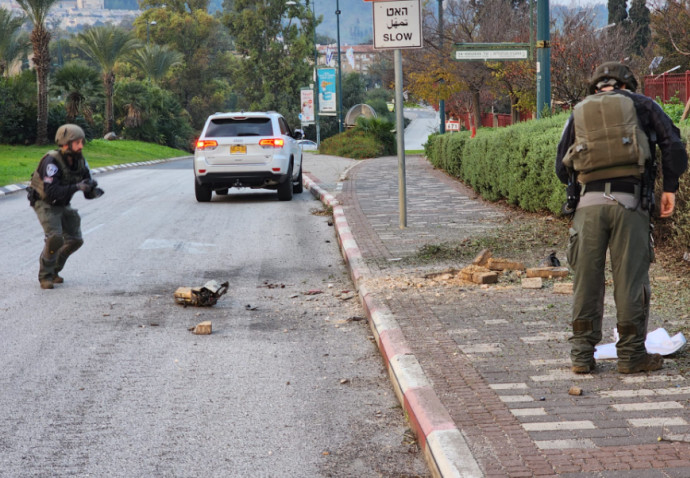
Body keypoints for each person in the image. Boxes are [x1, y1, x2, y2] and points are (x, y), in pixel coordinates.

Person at [556, 62, 688, 374]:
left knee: (585, 282)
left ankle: (581, 357)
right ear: (628, 84)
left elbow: (562, 168)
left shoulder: (579, 111)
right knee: (630, 282)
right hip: (630, 206)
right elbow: (674, 146)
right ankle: (631, 357)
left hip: (587, 208)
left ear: (596, 86)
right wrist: (669, 188)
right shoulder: (644, 105)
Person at [27, 124, 103, 290]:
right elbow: (51, 191)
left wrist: (92, 189)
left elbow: (86, 187)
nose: (81, 146)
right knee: (55, 238)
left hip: (62, 203)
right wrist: (77, 187)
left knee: (75, 240)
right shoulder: (51, 161)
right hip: (44, 203)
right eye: (77, 143)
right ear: (65, 143)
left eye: (82, 142)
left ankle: (54, 270)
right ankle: (46, 276)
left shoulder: (80, 161)